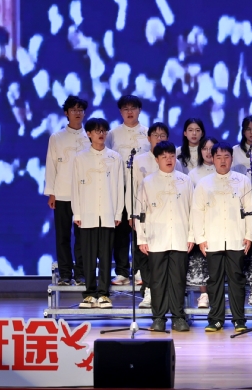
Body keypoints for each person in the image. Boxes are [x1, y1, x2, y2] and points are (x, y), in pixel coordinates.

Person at [191, 142, 252, 332]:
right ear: (212, 159)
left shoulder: (243, 181)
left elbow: (249, 210)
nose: (223, 161)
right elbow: (197, 212)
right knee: (214, 280)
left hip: (236, 238)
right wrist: (200, 238)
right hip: (213, 239)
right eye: (218, 157)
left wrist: (249, 235)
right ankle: (216, 319)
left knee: (237, 280)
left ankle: (239, 320)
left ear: (232, 159)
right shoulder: (204, 183)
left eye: (226, 157)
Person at [136, 141, 193, 332]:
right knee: (157, 280)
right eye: (164, 156)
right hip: (156, 238)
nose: (169, 160)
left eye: (172, 156)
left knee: (178, 279)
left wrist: (192, 236)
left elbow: (193, 211)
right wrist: (141, 238)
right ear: (156, 159)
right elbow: (140, 212)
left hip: (180, 237)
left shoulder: (185, 181)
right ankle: (159, 318)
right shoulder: (148, 182)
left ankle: (178, 317)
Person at [72, 118, 124, 309]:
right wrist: (77, 213)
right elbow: (75, 187)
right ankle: (89, 294)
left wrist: (118, 213)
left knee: (105, 255)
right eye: (96, 131)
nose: (101, 134)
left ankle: (103, 293)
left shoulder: (115, 157)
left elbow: (119, 186)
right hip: (87, 213)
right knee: (88, 255)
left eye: (103, 130)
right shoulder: (80, 158)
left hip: (108, 213)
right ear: (89, 134)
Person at [44, 96, 90, 286]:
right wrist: (51, 192)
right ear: (66, 113)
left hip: (85, 195)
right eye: (73, 110)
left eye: (80, 110)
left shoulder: (90, 136)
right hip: (62, 193)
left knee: (83, 237)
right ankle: (65, 274)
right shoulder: (56, 137)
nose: (77, 113)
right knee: (62, 236)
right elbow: (51, 165)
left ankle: (81, 274)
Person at [106, 95, 150, 287]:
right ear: (120, 111)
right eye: (126, 108)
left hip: (142, 188)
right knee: (121, 231)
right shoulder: (112, 134)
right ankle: (122, 272)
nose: (129, 112)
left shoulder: (148, 133)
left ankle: (140, 271)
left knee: (140, 230)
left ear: (139, 110)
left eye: (133, 108)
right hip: (120, 186)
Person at [126, 122, 170, 309]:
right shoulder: (139, 160)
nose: (159, 139)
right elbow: (132, 188)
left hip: (165, 216)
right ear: (148, 138)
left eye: (162, 135)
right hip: (143, 215)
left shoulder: (173, 158)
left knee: (163, 256)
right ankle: (148, 291)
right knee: (143, 255)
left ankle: (164, 293)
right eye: (155, 135)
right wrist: (132, 213)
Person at [186, 136, 218, 308]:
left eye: (211, 148)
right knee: (201, 260)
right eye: (204, 148)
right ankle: (204, 294)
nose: (208, 152)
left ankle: (218, 294)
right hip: (202, 222)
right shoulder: (193, 174)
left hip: (220, 222)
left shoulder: (224, 171)